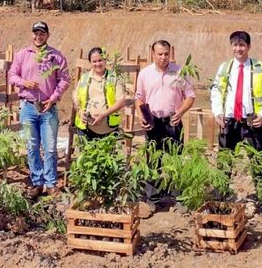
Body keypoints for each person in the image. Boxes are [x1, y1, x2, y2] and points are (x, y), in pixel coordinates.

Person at [8, 21, 70, 198]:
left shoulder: (55, 56)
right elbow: (12, 75)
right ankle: (37, 181)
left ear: (47, 36)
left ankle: (51, 183)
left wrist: (53, 97)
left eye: (42, 33)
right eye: (35, 33)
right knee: (32, 146)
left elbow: (65, 79)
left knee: (50, 147)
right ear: (31, 35)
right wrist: (24, 83)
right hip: (28, 107)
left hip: (47, 107)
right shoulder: (22, 55)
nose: (38, 36)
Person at [135, 40, 195, 207]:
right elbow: (139, 98)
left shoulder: (180, 72)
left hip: (173, 121)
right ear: (153, 54)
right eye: (159, 54)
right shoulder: (145, 74)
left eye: (166, 54)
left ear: (170, 54)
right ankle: (153, 199)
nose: (163, 57)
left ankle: (178, 198)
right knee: (153, 160)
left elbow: (190, 96)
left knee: (176, 159)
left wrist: (180, 112)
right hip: (153, 122)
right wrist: (141, 116)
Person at [211, 31, 262, 153]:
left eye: (242, 45)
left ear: (248, 47)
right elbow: (216, 93)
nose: (238, 48)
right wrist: (218, 112)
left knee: (258, 163)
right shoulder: (224, 68)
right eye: (235, 45)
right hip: (229, 121)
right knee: (225, 163)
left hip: (253, 120)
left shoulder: (259, 67)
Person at [72, 47, 126, 141]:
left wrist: (103, 114)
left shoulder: (113, 78)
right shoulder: (84, 78)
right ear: (90, 63)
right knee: (86, 155)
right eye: (94, 61)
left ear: (105, 60)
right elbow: (75, 97)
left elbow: (121, 101)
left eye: (100, 60)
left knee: (107, 156)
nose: (97, 64)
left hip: (108, 129)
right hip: (86, 129)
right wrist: (80, 112)